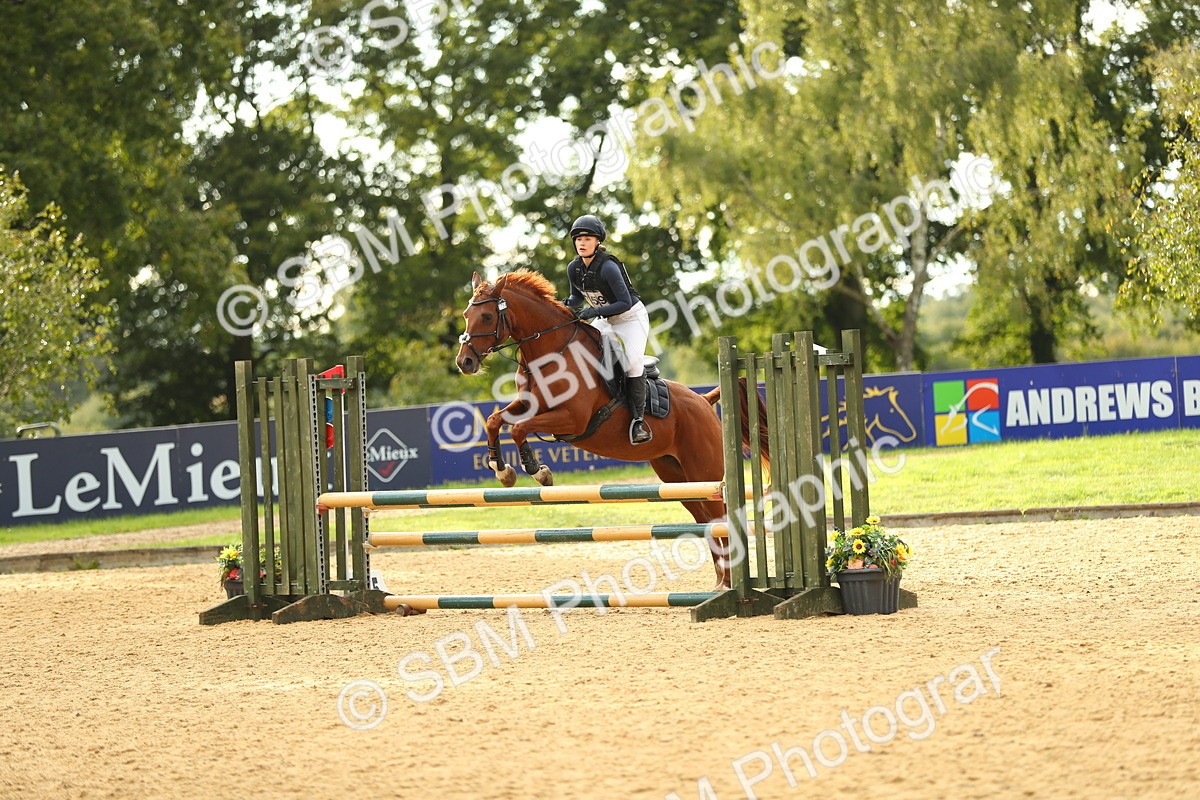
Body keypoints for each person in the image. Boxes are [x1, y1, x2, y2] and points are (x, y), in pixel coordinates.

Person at [563, 214, 653, 444]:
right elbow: (575, 297)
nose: (581, 243)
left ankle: (638, 422)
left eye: (587, 238)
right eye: (578, 239)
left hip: (630, 318)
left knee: (632, 362)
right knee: (579, 350)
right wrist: (562, 305)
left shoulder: (609, 267)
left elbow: (624, 302)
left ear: (597, 242)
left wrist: (592, 312)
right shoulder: (574, 269)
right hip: (605, 319)